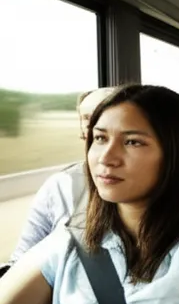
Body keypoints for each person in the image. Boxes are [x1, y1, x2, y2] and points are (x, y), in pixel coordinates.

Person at [0, 85, 179, 304]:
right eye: (100, 138)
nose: (106, 158)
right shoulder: (70, 239)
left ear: (177, 155)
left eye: (132, 142)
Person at [8, 87, 118, 264]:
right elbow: (21, 261)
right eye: (87, 118)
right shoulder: (60, 187)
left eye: (104, 113)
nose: (95, 124)